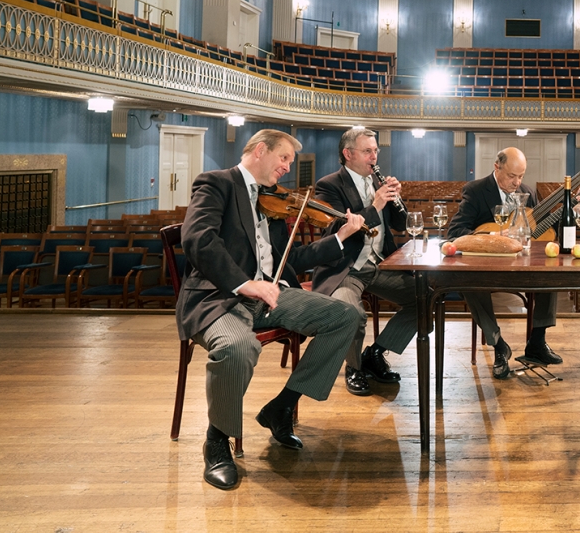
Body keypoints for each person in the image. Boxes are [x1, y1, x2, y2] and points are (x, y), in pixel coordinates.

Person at [176, 129, 364, 490]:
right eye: (283, 159)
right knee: (237, 346)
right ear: (261, 150)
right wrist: (244, 283)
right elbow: (198, 239)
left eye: (289, 162)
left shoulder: (270, 200)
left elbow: (291, 258)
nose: (287, 168)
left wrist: (340, 237)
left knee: (345, 315)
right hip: (220, 298)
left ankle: (281, 406)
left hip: (269, 296)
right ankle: (217, 439)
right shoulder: (217, 183)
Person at [311, 127, 417, 397]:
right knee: (352, 313)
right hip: (347, 268)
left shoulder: (377, 184)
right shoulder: (329, 185)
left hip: (381, 264)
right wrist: (376, 204)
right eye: (368, 151)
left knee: (426, 297)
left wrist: (395, 200)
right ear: (348, 154)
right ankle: (354, 366)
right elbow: (337, 229)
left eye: (376, 150)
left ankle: (377, 352)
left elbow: (401, 225)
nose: (374, 156)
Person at [446, 147, 563, 379]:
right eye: (512, 176)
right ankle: (499, 345)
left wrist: (574, 210)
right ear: (496, 167)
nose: (517, 182)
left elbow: (546, 231)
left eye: (521, 176)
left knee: (552, 272)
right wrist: (495, 237)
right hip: (487, 269)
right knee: (469, 284)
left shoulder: (528, 192)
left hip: (522, 266)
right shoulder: (476, 190)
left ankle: (537, 343)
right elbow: (455, 231)